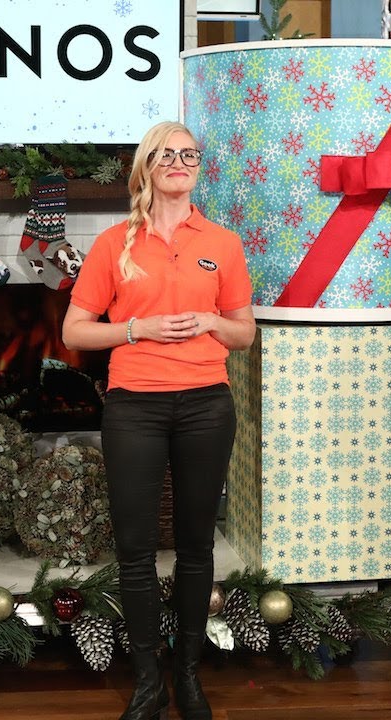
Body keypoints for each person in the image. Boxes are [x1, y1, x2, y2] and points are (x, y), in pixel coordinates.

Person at [63, 120, 256, 720]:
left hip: (206, 404)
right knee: (135, 549)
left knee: (197, 545)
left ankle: (188, 674)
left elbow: (244, 334)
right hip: (135, 406)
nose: (179, 162)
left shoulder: (222, 242)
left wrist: (212, 322)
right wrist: (136, 329)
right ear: (147, 166)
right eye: (166, 154)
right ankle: (148, 681)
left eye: (188, 155)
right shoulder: (113, 243)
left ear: (198, 166)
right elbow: (74, 332)